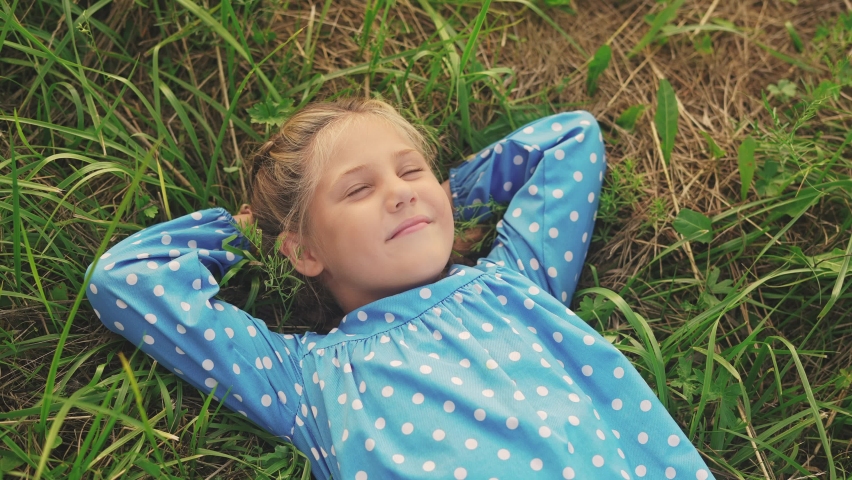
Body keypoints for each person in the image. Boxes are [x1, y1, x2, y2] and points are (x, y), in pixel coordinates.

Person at [85, 98, 714, 479]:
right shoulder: (306, 379)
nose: (400, 191)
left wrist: (446, 199)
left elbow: (571, 138)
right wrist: (249, 233)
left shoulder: (517, 283)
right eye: (359, 189)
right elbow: (124, 279)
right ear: (305, 252)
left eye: (411, 170)